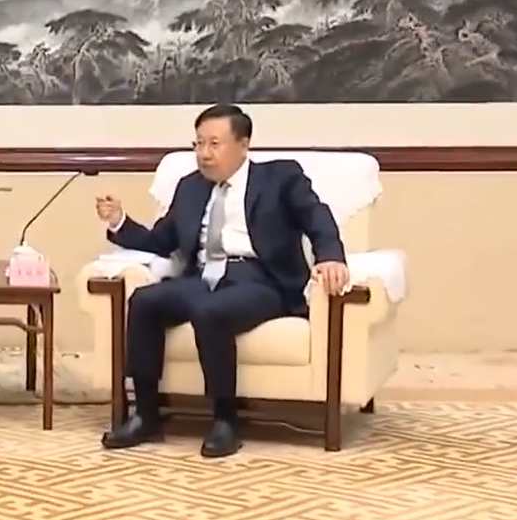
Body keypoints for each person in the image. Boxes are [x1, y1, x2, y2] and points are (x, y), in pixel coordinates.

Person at [95, 104, 350, 458]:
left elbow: (316, 216)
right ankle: (146, 414)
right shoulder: (190, 187)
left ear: (243, 145)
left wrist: (331, 255)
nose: (204, 153)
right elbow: (162, 241)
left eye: (214, 144)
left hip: (260, 281)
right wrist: (120, 222)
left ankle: (225, 421)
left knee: (210, 312)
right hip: (202, 277)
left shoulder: (280, 177)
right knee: (145, 301)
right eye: (198, 144)